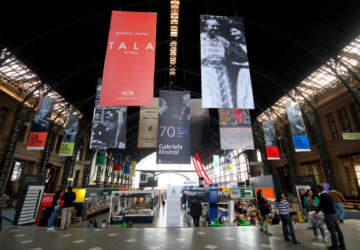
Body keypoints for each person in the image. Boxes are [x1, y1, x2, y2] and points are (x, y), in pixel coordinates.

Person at [200, 18, 234, 108]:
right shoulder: (200, 39)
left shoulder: (223, 41)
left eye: (217, 26)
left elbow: (231, 53)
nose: (215, 28)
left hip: (222, 71)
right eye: (212, 26)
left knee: (225, 96)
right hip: (206, 70)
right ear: (205, 28)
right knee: (211, 96)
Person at [227, 23, 254, 109]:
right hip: (243, 73)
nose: (232, 34)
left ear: (241, 31)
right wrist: (243, 65)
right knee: (244, 95)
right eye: (231, 33)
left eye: (235, 31)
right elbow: (229, 62)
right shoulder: (232, 47)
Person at [314, 185, 345, 250]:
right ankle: (342, 245)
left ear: (318, 189)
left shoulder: (322, 196)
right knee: (338, 230)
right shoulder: (328, 195)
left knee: (332, 231)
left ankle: (335, 246)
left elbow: (320, 205)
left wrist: (316, 212)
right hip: (334, 214)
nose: (316, 190)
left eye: (316, 189)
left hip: (328, 215)